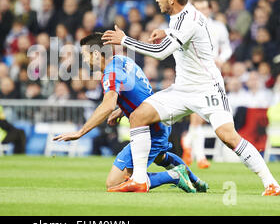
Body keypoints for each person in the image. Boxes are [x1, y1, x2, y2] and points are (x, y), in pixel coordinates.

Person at [102, 0, 280, 196]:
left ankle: (272, 184)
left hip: (207, 88)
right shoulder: (181, 16)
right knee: (139, 116)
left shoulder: (188, 19)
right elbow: (187, 36)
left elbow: (160, 53)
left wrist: (125, 40)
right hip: (182, 89)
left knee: (228, 136)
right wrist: (167, 32)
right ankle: (140, 180)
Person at [54, 33, 207, 193]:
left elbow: (107, 105)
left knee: (113, 183)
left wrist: (81, 131)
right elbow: (139, 91)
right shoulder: (124, 61)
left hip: (149, 129)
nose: (84, 60)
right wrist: (121, 110)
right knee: (161, 156)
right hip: (157, 119)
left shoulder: (111, 73)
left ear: (97, 54)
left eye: (86, 56)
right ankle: (196, 181)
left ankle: (174, 176)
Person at [182, 0, 233, 169]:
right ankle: (201, 156)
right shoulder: (189, 25)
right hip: (196, 75)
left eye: (205, 7)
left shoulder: (219, 27)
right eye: (199, 7)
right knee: (197, 116)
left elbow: (227, 47)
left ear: (210, 9)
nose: (203, 11)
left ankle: (187, 142)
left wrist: (221, 58)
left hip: (213, 73)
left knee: (202, 117)